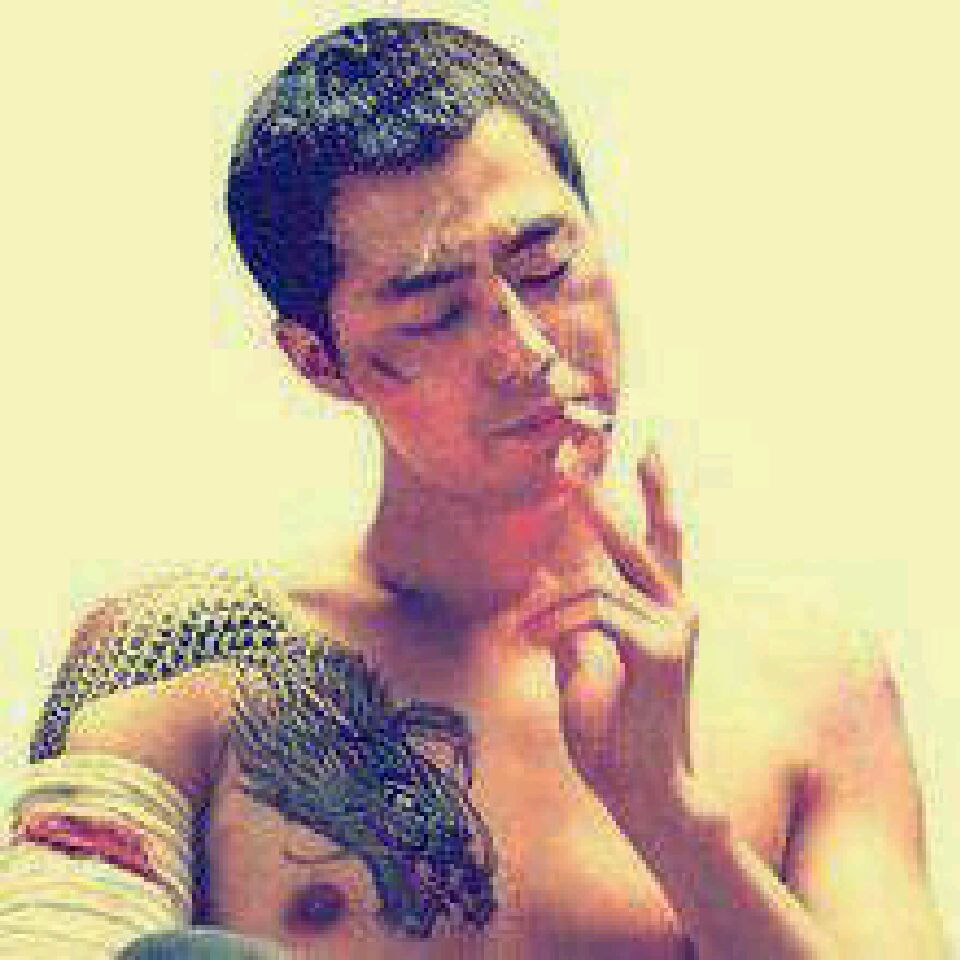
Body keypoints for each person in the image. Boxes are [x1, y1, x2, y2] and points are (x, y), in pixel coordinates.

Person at [3, 17, 946, 959]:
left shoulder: (808, 683)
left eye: (548, 269)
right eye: (435, 315)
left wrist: (670, 815)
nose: (526, 351)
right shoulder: (184, 660)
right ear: (320, 360)